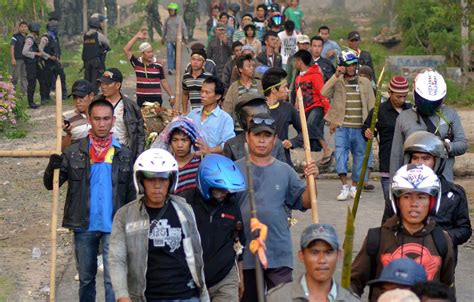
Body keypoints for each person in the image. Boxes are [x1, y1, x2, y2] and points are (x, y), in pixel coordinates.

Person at [44, 99, 135, 302]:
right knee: (86, 278)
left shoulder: (124, 154)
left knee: (114, 280)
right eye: (97, 119)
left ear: (113, 121)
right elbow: (52, 184)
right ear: (90, 121)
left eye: (106, 119)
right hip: (84, 226)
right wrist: (53, 165)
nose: (102, 124)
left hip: (114, 227)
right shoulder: (74, 152)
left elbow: (130, 194)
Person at [235, 112, 318, 302]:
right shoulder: (235, 170)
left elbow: (305, 202)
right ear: (247, 137)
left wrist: (311, 180)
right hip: (245, 255)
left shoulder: (285, 171)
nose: (262, 141)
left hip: (278, 253)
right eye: (257, 135)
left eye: (267, 136)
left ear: (275, 140)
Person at [109, 148, 209, 302]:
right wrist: (122, 295)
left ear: (171, 180)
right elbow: (117, 259)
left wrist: (204, 296)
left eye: (163, 179)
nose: (157, 185)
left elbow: (196, 254)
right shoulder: (125, 215)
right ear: (141, 181)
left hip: (186, 295)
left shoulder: (184, 210)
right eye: (151, 179)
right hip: (146, 296)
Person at [350, 164, 455, 301]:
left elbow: (447, 290)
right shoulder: (377, 238)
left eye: (421, 197)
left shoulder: (442, 241)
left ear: (432, 201)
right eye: (406, 196)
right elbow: (353, 283)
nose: (414, 203)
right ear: (397, 201)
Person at [402, 131, 472, 264]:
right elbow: (386, 229)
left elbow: (464, 229)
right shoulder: (399, 192)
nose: (419, 163)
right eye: (415, 158)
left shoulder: (454, 194)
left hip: (441, 263)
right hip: (405, 261)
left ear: (437, 161)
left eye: (425, 158)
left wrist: (446, 236)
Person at [390, 69, 467, 182]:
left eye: (434, 103)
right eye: (425, 102)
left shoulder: (450, 114)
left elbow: (462, 145)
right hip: (413, 183)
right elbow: (396, 157)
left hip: (443, 181)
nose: (429, 107)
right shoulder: (404, 118)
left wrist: (447, 146)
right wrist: (394, 186)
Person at [191, 154, 246, 301]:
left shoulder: (231, 205)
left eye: (226, 190)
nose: (224, 194)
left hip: (225, 276)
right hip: (191, 279)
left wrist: (240, 276)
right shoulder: (186, 203)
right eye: (220, 190)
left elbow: (239, 242)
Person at [322, 49, 375, 200]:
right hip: (342, 127)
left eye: (353, 65)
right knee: (340, 155)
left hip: (360, 128)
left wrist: (372, 125)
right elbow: (324, 92)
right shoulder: (337, 81)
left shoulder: (365, 82)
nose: (351, 68)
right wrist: (335, 75)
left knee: (359, 157)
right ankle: (344, 187)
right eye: (347, 65)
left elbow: (371, 106)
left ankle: (353, 186)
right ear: (342, 66)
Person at [267, 224, 360, 301]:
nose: (322, 260)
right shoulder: (278, 298)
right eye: (314, 252)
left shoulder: (351, 300)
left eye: (328, 252)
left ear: (338, 255)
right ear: (301, 255)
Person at [362, 76, 411, 222]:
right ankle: (387, 235)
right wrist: (368, 133)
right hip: (388, 165)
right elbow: (367, 129)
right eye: (398, 96)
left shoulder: (411, 111)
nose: (401, 100)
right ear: (389, 93)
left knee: (406, 206)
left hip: (408, 165)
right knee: (391, 204)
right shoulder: (379, 111)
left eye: (404, 96)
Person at [223, 93, 287, 163]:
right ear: (243, 120)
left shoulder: (277, 144)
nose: (259, 121)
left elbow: (283, 171)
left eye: (262, 116)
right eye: (254, 118)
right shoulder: (231, 146)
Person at [96, 68, 145, 160]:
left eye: (107, 84)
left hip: (123, 155)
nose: (103, 86)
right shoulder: (95, 103)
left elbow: (140, 136)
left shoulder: (131, 107)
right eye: (102, 83)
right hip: (99, 154)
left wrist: (138, 158)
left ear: (118, 85)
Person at [293, 50, 332, 163]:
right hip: (304, 108)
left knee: (310, 125)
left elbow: (322, 93)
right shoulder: (298, 78)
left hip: (316, 106)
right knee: (306, 131)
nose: (295, 63)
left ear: (300, 61)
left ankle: (326, 148)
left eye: (296, 61)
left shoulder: (315, 75)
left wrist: (327, 110)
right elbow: (297, 94)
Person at [153, 116, 201, 202]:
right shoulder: (165, 165)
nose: (179, 145)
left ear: (191, 141)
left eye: (184, 140)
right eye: (175, 140)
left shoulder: (199, 164)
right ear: (169, 142)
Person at [123, 30, 175, 107]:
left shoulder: (158, 65)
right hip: (142, 99)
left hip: (156, 99)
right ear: (142, 53)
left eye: (152, 51)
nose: (151, 54)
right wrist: (136, 37)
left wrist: (172, 96)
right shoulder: (137, 63)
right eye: (148, 52)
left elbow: (163, 81)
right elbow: (126, 49)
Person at [262, 67, 302, 165]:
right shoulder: (257, 108)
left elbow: (304, 132)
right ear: (273, 90)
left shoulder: (288, 108)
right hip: (262, 161)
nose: (288, 90)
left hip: (283, 161)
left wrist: (292, 142)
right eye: (284, 87)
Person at [187, 76, 235, 155]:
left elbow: (228, 144)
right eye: (202, 91)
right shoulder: (193, 114)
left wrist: (209, 150)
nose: (202, 95)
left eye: (207, 92)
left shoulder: (225, 119)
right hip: (191, 162)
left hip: (213, 163)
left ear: (218, 96)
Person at [62, 79, 95, 151]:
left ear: (91, 96)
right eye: (75, 97)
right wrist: (69, 134)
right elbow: (62, 149)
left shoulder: (101, 114)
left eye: (81, 97)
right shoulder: (67, 117)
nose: (77, 101)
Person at [39, 17, 67, 102]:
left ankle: (63, 94)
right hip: (48, 62)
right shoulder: (45, 38)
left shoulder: (55, 37)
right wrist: (49, 56)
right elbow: (40, 49)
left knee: (62, 76)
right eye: (56, 27)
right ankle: (45, 97)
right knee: (47, 80)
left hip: (56, 62)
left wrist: (58, 59)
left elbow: (57, 49)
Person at [82, 13, 110, 91]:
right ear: (98, 25)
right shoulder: (98, 35)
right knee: (96, 80)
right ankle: (94, 95)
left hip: (86, 62)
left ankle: (87, 95)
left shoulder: (85, 35)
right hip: (96, 62)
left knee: (87, 80)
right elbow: (107, 43)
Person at [182, 49, 212, 113]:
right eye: (193, 59)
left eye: (199, 60)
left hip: (206, 110)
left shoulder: (209, 77)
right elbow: (185, 94)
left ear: (204, 63)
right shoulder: (186, 77)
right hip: (193, 110)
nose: (195, 62)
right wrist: (184, 111)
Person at [22, 22, 44, 109]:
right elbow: (24, 52)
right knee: (31, 83)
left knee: (36, 81)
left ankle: (34, 101)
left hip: (34, 63)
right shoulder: (29, 39)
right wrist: (36, 54)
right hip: (30, 64)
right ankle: (30, 103)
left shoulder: (33, 38)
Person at [162, 2, 188, 75]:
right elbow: (164, 29)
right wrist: (163, 38)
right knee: (169, 53)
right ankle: (170, 68)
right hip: (169, 40)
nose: (171, 12)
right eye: (170, 10)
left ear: (176, 11)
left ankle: (176, 67)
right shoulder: (167, 20)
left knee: (177, 55)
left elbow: (184, 29)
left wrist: (185, 38)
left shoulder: (180, 19)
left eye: (173, 10)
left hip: (178, 41)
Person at [286, 34, 310, 104]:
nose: (304, 45)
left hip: (307, 88)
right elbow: (289, 75)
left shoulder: (311, 58)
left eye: (306, 43)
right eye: (302, 43)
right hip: (294, 88)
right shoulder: (292, 58)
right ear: (298, 44)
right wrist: (288, 88)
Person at [10, 21, 28, 94]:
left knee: (24, 76)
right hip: (17, 59)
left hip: (26, 60)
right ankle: (11, 91)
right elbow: (12, 47)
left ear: (27, 28)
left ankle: (24, 92)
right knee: (15, 76)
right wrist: (12, 58)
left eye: (25, 27)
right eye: (22, 26)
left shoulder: (28, 37)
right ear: (19, 27)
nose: (23, 28)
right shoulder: (15, 36)